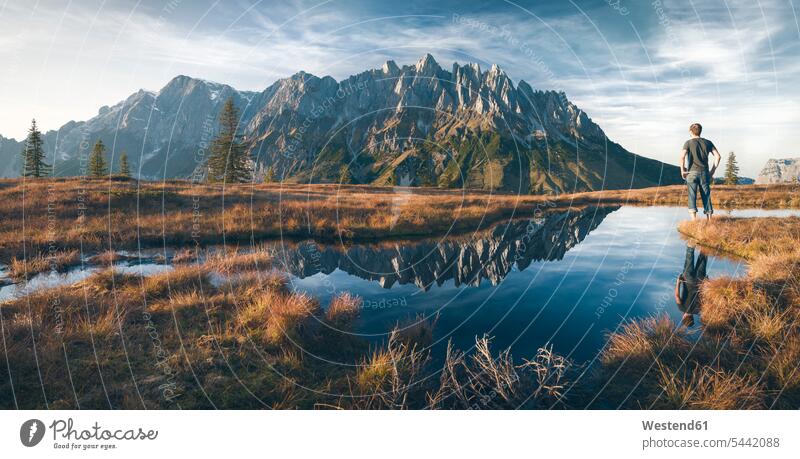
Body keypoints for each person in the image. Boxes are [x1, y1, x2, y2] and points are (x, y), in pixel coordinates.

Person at [680, 123, 721, 220]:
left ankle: (694, 221)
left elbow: (682, 157)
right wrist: (712, 171)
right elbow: (718, 156)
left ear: (691, 131)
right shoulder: (708, 142)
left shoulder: (688, 143)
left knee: (692, 196)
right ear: (700, 131)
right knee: (706, 195)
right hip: (704, 173)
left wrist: (682, 170)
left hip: (691, 173)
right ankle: (710, 220)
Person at [674, 242, 707, 327]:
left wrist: (706, 283)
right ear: (683, 317)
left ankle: (706, 241)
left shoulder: (699, 310)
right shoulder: (681, 308)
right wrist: (678, 282)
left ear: (692, 318)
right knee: (689, 258)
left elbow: (704, 296)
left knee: (703, 259)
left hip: (699, 281)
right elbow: (677, 296)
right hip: (687, 281)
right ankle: (692, 240)